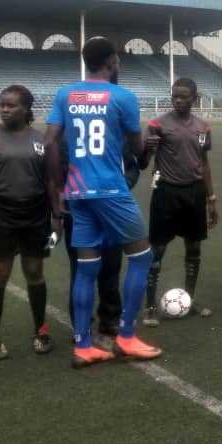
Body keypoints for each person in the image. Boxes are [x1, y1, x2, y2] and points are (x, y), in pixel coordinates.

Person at [45, 37, 161, 367]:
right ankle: (126, 336)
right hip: (111, 190)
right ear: (112, 61)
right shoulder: (123, 96)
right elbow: (138, 151)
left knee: (85, 268)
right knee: (141, 257)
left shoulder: (65, 94)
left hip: (77, 192)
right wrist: (145, 145)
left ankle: (83, 345)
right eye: (118, 60)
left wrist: (58, 191)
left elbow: (49, 142)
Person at [0, 85, 60, 359]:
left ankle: (41, 330)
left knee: (34, 272)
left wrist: (57, 216)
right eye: (2, 105)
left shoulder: (41, 140)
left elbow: (51, 181)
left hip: (35, 213)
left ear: (26, 109)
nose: (5, 109)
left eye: (11, 105)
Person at [140, 78, 219, 326]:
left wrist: (211, 198)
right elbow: (143, 161)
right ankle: (150, 306)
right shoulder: (157, 125)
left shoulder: (203, 127)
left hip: (194, 193)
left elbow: (204, 163)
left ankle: (189, 299)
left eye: (183, 96)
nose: (178, 100)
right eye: (175, 96)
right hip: (166, 193)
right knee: (158, 250)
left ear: (194, 99)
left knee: (193, 248)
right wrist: (146, 147)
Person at [62, 138, 141, 337]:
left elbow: (132, 168)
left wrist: (124, 184)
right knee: (81, 269)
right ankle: (82, 325)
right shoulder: (69, 137)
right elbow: (56, 173)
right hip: (81, 213)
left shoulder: (117, 138)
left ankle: (110, 318)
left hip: (113, 213)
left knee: (111, 268)